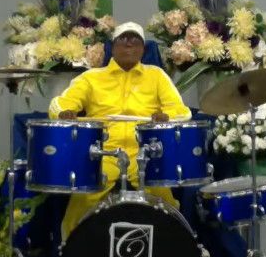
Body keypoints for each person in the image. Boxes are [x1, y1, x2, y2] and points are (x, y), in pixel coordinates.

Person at [48, 22, 191, 239]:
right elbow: (58, 103)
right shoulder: (91, 77)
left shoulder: (157, 75)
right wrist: (63, 113)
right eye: (123, 39)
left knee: (164, 202)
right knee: (83, 200)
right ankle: (71, 251)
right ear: (112, 48)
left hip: (145, 152)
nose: (129, 44)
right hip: (102, 152)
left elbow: (182, 111)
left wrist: (166, 117)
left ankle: (171, 248)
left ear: (143, 49)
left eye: (135, 40)